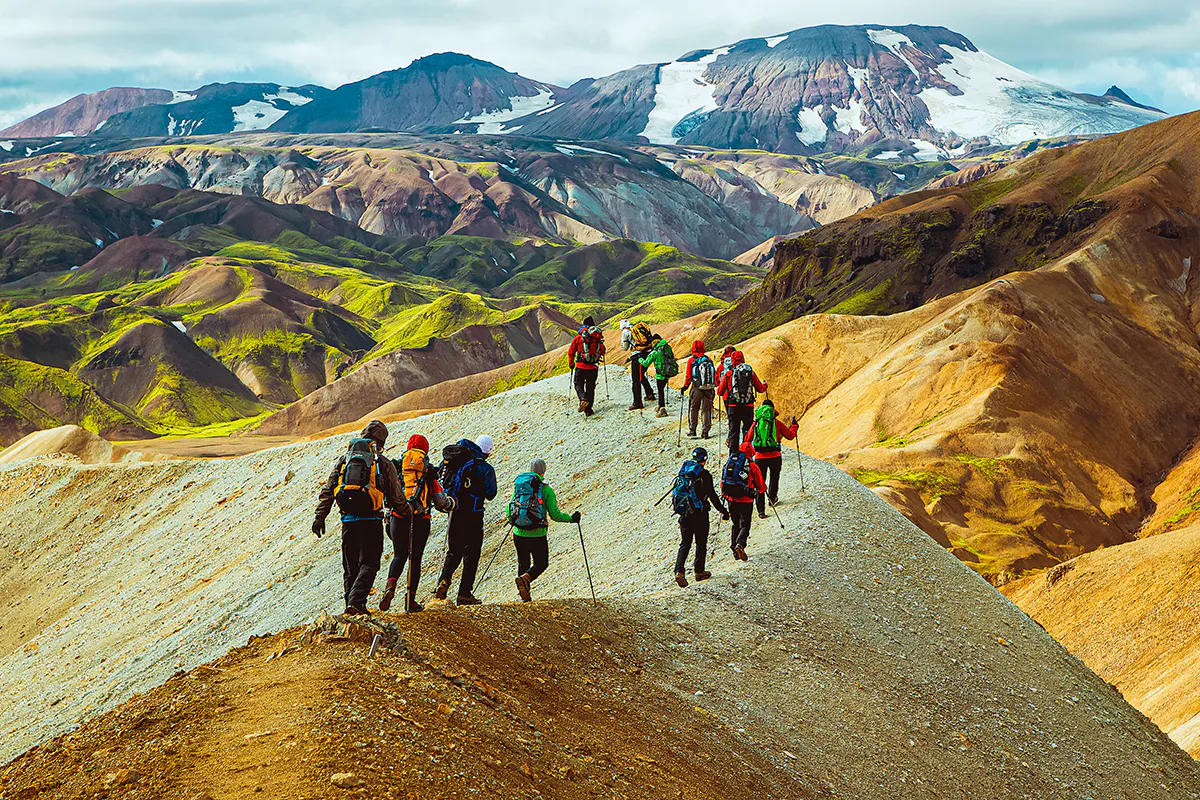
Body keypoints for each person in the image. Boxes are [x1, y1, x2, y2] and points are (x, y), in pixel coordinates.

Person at [312, 420, 403, 616]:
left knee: (350, 567)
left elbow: (328, 490)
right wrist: (406, 510)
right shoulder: (383, 464)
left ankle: (351, 607)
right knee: (370, 563)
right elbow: (395, 497)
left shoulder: (344, 461)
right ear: (381, 441)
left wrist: (320, 517)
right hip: (371, 521)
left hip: (348, 521)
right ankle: (356, 603)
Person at [380, 434, 455, 613]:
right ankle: (410, 599)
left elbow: (386, 494)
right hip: (421, 520)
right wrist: (452, 503)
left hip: (397, 518)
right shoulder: (427, 471)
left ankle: (390, 586)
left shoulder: (397, 467)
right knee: (415, 558)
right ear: (425, 449)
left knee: (399, 555)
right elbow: (440, 501)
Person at [434, 434, 498, 605]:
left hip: (454, 511)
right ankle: (464, 593)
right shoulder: (485, 468)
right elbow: (491, 493)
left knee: (454, 551)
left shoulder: (457, 460)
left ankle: (444, 580)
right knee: (472, 553)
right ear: (488, 451)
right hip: (474, 515)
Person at [506, 457, 580, 602]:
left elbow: (509, 509)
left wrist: (516, 521)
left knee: (523, 563)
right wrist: (571, 518)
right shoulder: (546, 490)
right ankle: (526, 579)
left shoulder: (520, 487)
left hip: (518, 533)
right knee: (541, 563)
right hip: (537, 534)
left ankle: (525, 597)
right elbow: (555, 515)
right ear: (543, 471)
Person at [669, 446, 729, 587]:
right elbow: (712, 497)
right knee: (701, 543)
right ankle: (699, 571)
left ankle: (679, 571)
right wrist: (724, 511)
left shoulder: (684, 471)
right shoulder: (705, 475)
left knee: (685, 544)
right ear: (704, 460)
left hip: (684, 514)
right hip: (700, 514)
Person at [742, 399, 799, 519]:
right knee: (774, 477)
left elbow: (747, 439)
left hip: (759, 457)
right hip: (775, 456)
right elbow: (790, 436)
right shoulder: (776, 423)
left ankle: (760, 510)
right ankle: (772, 499)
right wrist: (794, 427)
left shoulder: (756, 423)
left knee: (759, 482)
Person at [721, 441, 766, 561]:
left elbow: (723, 480)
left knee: (735, 524)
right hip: (746, 499)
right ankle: (740, 544)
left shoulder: (730, 462)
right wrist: (762, 490)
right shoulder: (752, 465)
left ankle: (734, 550)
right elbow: (760, 484)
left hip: (731, 499)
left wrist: (725, 495)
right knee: (745, 524)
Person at [717, 350, 767, 454]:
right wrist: (765, 385)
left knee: (733, 432)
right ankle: (747, 454)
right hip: (748, 407)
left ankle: (733, 456)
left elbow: (719, 392)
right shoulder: (750, 373)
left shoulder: (728, 374)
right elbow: (760, 388)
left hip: (733, 407)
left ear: (732, 361)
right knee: (747, 431)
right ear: (743, 359)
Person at [568, 316, 605, 416]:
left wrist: (571, 364)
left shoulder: (579, 338)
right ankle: (588, 410)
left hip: (581, 366)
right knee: (590, 387)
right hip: (593, 367)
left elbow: (571, 352)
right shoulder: (597, 338)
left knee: (578, 383)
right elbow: (603, 351)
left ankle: (583, 399)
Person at [680, 340, 716, 438]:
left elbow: (688, 376)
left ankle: (693, 430)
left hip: (696, 388)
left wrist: (685, 387)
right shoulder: (708, 359)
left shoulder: (692, 360)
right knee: (706, 409)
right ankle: (705, 432)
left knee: (693, 408)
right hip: (708, 388)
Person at [639, 333, 678, 418]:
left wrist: (640, 359)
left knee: (660, 391)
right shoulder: (667, 347)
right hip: (668, 372)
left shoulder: (655, 352)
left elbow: (646, 364)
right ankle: (660, 405)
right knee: (661, 389)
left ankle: (662, 409)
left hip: (660, 374)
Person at [622, 319, 656, 410]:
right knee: (641, 374)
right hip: (647, 353)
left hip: (637, 356)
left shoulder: (625, 332)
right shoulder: (637, 329)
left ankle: (637, 403)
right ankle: (650, 394)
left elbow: (624, 348)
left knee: (635, 379)